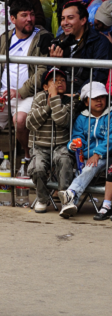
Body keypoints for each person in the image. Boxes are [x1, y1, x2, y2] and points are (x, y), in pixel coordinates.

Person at [0, 0, 52, 159]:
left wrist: (20, 92)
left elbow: (42, 71)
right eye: (24, 15)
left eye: (32, 14)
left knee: (20, 120)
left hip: (30, 94)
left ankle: (27, 157)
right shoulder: (3, 40)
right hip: (2, 95)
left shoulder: (43, 38)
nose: (29, 19)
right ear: (12, 19)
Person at [58, 82, 110, 218]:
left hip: (106, 155)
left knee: (90, 166)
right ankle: (70, 203)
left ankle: (70, 193)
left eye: (102, 97)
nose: (99, 100)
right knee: (83, 170)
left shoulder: (110, 115)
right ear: (86, 102)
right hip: (87, 157)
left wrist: (98, 153)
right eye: (95, 98)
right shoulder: (82, 118)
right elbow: (77, 136)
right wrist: (72, 145)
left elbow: (110, 138)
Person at [26, 67, 74, 213]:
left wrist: (54, 99)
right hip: (40, 146)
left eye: (63, 80)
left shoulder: (69, 100)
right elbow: (30, 123)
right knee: (37, 167)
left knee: (65, 160)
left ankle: (65, 199)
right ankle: (42, 199)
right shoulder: (40, 98)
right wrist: (47, 106)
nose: (59, 83)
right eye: (55, 81)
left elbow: (62, 120)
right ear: (46, 86)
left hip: (61, 145)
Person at [49, 0, 112, 86]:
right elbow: (45, 77)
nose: (65, 23)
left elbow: (98, 76)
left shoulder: (100, 42)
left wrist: (78, 94)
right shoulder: (56, 42)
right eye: (63, 18)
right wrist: (56, 67)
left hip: (85, 96)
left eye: (70, 18)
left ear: (83, 20)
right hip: (60, 94)